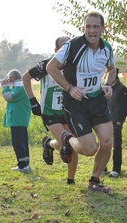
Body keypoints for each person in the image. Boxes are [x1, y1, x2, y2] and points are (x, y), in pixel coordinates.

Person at [46, 11, 116, 193]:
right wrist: (69, 88)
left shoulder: (106, 48)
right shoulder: (72, 46)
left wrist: (107, 84)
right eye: (89, 26)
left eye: (96, 27)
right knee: (90, 148)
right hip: (75, 103)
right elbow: (51, 67)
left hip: (97, 101)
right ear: (83, 28)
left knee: (107, 142)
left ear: (103, 29)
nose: (92, 31)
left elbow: (112, 69)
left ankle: (95, 180)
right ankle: (67, 140)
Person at [22, 36, 79, 184]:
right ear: (55, 50)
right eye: (62, 48)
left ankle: (70, 179)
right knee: (67, 141)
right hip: (50, 112)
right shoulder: (47, 64)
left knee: (71, 143)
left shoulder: (75, 63)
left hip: (68, 111)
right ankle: (50, 144)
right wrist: (33, 101)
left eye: (69, 48)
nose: (66, 51)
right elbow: (25, 77)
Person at [1, 69, 32, 173]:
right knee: (22, 142)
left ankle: (23, 165)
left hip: (18, 119)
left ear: (12, 78)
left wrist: (5, 86)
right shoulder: (19, 86)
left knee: (18, 143)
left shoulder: (19, 87)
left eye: (9, 78)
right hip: (20, 119)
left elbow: (8, 97)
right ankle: (25, 163)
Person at [103, 68, 127, 177]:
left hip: (115, 121)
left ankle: (116, 169)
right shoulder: (103, 88)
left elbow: (125, 108)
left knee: (116, 145)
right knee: (103, 144)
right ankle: (103, 168)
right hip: (104, 120)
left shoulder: (121, 88)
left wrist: (119, 121)